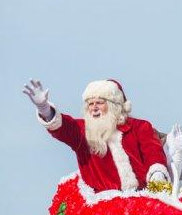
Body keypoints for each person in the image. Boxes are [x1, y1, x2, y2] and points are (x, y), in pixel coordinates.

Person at [23, 79, 169, 192]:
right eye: (90, 104)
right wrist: (45, 109)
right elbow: (64, 127)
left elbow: (153, 153)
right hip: (102, 208)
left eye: (99, 102)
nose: (94, 108)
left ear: (114, 105)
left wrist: (157, 174)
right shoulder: (83, 131)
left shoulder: (139, 127)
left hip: (142, 199)